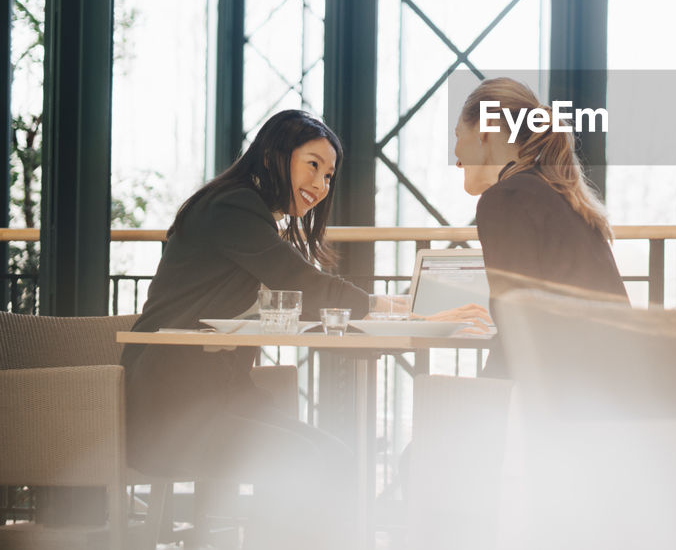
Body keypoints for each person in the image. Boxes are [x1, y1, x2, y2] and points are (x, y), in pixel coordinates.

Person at [122, 109, 482, 549]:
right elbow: (298, 283)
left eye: (329, 175)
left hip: (215, 400)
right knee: (314, 461)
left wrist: (395, 312)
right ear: (274, 154)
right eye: (313, 165)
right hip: (172, 409)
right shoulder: (231, 206)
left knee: (338, 457)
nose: (321, 185)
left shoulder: (243, 210)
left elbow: (291, 297)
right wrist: (389, 307)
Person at [454, 76, 629, 376]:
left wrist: (483, 403)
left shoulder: (505, 198)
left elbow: (518, 329)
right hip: (612, 389)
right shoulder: (558, 194)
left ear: (484, 131)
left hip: (572, 399)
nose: (456, 158)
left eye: (458, 136)